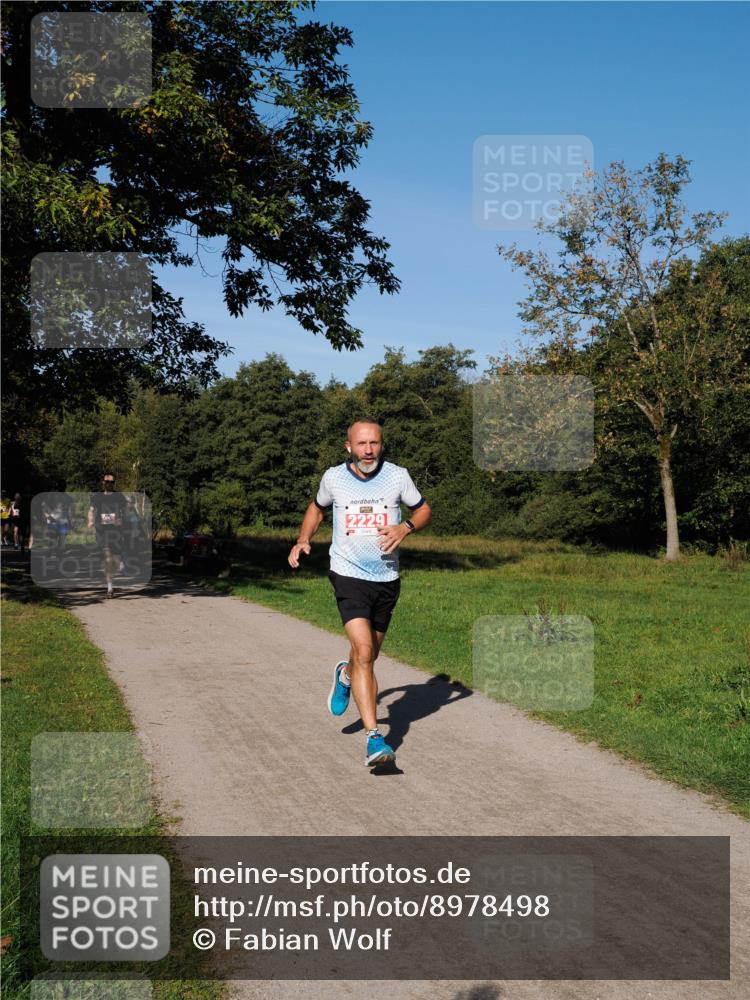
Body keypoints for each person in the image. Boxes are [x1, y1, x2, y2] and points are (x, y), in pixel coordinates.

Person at [288, 419, 432, 766]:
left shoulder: (398, 476)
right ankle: (374, 739)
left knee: (369, 656)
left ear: (382, 445)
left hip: (387, 578)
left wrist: (405, 527)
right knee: (365, 651)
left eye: (375, 443)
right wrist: (303, 539)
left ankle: (344, 674)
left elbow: (424, 509)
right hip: (347, 573)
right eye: (362, 444)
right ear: (348, 446)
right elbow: (316, 508)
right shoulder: (333, 478)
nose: (369, 450)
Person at [88, 473, 127, 598]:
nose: (109, 484)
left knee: (114, 560)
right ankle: (110, 588)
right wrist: (90, 520)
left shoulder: (119, 497)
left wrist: (123, 520)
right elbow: (91, 510)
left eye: (112, 482)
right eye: (107, 481)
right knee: (108, 558)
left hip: (116, 532)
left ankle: (120, 561)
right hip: (102, 531)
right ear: (103, 482)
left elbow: (126, 512)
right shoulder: (97, 497)